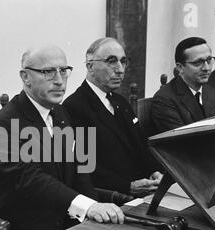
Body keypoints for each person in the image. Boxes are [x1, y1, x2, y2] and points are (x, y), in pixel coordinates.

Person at [0, 45, 124, 230]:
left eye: (63, 71)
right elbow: (31, 179)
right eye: (48, 72)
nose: (59, 80)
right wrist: (87, 208)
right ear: (25, 77)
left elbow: (80, 170)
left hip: (65, 220)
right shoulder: (4, 123)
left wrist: (92, 211)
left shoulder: (60, 112)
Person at [63, 37, 162, 197]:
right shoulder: (75, 107)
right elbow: (84, 167)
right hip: (111, 197)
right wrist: (127, 186)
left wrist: (154, 171)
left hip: (143, 190)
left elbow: (140, 145)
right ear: (90, 66)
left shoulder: (120, 101)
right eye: (111, 61)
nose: (120, 69)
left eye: (123, 62)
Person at [151, 37, 215, 133]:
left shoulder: (212, 92)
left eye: (209, 60)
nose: (206, 68)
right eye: (198, 62)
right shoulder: (164, 100)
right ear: (180, 67)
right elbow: (182, 142)